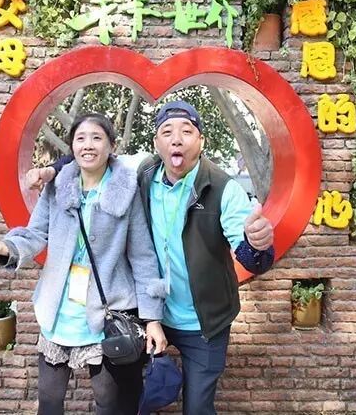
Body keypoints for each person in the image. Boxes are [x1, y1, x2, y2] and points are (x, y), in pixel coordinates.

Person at [29, 101, 275, 415]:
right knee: (130, 398)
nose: (177, 140)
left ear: (201, 141)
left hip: (202, 320)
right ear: (156, 142)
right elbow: (90, 154)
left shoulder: (224, 189)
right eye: (167, 132)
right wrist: (52, 170)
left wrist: (257, 246)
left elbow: (253, 258)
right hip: (145, 314)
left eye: (187, 132)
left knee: (197, 407)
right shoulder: (142, 172)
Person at [0, 113, 168, 415]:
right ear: (72, 146)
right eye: (80, 138)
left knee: (109, 402)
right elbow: (36, 234)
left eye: (97, 138)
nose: (88, 145)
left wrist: (152, 318)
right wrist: (6, 248)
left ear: (112, 146)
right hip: (59, 310)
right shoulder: (58, 186)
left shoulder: (126, 192)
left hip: (105, 313)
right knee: (49, 400)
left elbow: (143, 257)